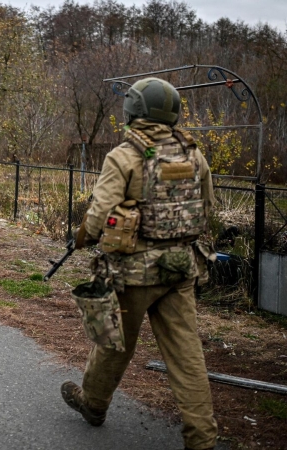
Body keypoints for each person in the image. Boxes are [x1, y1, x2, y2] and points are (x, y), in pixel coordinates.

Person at [60, 77, 218, 450]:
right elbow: (208, 208)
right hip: (180, 268)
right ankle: (202, 438)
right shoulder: (193, 154)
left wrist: (83, 238)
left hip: (133, 273)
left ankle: (94, 405)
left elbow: (98, 216)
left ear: (133, 111)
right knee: (187, 355)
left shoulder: (125, 156)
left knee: (113, 342)